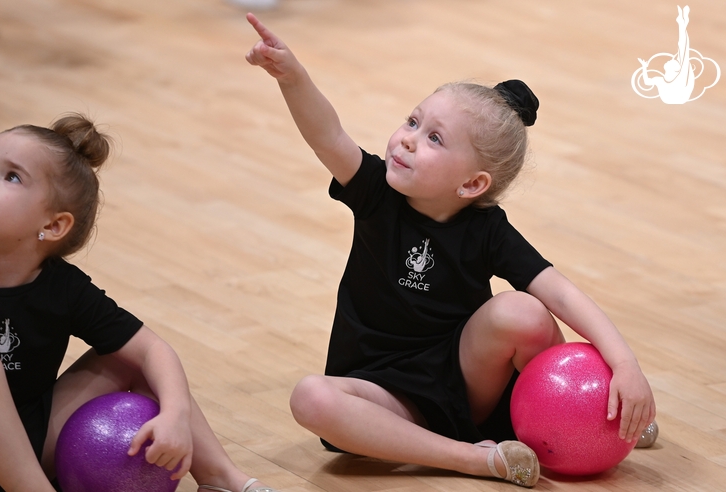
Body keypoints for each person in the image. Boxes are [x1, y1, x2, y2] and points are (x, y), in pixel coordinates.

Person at [245, 13, 656, 488]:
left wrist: (626, 366)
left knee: (524, 311)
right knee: (311, 398)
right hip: (382, 395)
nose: (408, 140)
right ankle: (471, 459)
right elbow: (328, 135)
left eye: (434, 138)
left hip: (467, 384)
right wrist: (292, 76)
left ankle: (587, 415)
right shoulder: (376, 192)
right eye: (413, 121)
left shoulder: (486, 230)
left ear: (472, 184)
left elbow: (560, 294)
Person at [0, 114, 278, 492]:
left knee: (126, 358)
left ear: (54, 226)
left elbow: (153, 349)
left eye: (12, 177)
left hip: (27, 446)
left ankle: (221, 478)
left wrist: (175, 415)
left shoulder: (64, 288)